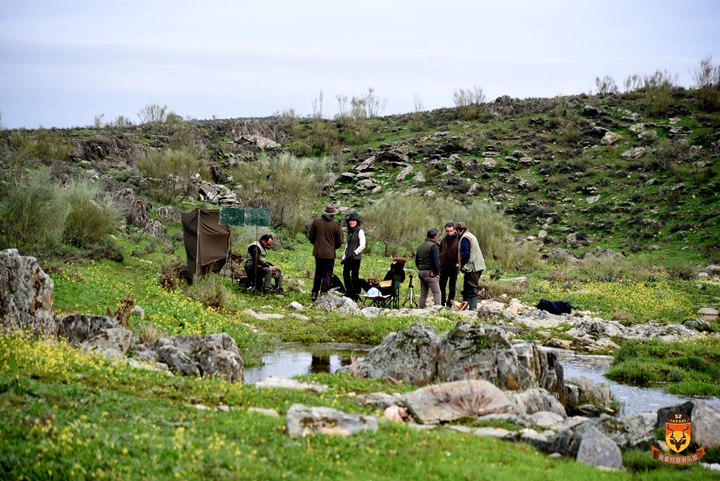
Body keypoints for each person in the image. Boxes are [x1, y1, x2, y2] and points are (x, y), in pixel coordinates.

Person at [307, 203, 344, 301]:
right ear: (333, 214)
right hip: (329, 254)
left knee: (318, 273)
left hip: (318, 252)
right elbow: (340, 241)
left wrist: (317, 244)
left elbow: (310, 236)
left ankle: (314, 293)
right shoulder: (336, 225)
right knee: (327, 274)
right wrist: (333, 247)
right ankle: (324, 293)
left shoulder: (316, 222)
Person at [455, 221, 486, 311]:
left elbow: (465, 255)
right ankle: (463, 308)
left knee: (472, 289)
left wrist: (462, 266)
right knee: (467, 288)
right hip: (477, 266)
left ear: (458, 230)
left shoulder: (465, 238)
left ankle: (472, 310)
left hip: (472, 268)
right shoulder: (471, 236)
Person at [341, 212, 365, 301]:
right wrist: (344, 256)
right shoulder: (350, 232)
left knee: (354, 277)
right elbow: (347, 246)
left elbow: (363, 245)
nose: (352, 222)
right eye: (350, 221)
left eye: (354, 221)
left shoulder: (360, 231)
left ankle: (355, 295)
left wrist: (355, 252)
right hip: (348, 257)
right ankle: (349, 292)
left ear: (357, 222)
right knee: (345, 274)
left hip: (355, 258)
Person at [415, 228, 441, 308]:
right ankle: (437, 309)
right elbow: (435, 261)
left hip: (421, 272)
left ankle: (422, 308)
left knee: (423, 292)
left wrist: (420, 268)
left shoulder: (419, 246)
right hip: (430, 273)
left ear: (426, 235)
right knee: (437, 292)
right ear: (435, 237)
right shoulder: (433, 246)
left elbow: (416, 260)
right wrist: (436, 273)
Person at [438, 222, 459, 307]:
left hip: (454, 267)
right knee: (442, 285)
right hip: (444, 267)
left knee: (452, 286)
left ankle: (450, 303)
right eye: (447, 231)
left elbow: (461, 253)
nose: (449, 233)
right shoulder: (443, 240)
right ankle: (442, 302)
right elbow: (440, 251)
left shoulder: (458, 240)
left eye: (451, 231)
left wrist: (459, 263)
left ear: (454, 230)